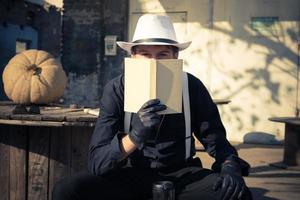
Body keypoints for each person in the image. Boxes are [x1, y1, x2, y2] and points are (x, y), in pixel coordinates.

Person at [52, 14, 252, 200]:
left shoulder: (191, 86)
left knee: (238, 194)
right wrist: (134, 136)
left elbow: (217, 142)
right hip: (129, 174)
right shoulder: (116, 89)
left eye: (163, 55)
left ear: (175, 57)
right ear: (133, 57)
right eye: (145, 54)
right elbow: (98, 163)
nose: (154, 62)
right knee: (67, 190)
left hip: (182, 174)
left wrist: (230, 167)